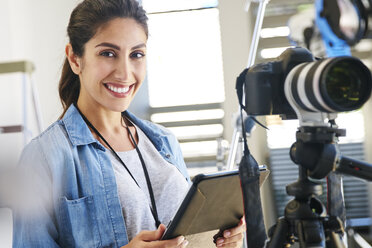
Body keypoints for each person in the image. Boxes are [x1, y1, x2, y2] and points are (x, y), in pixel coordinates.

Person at [12, 0, 246, 247]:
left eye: (136, 55)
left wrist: (222, 240)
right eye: (108, 53)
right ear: (75, 58)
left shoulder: (163, 142)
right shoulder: (44, 156)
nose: (125, 73)